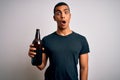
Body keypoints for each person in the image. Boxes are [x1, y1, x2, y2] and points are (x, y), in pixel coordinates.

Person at [28, 2, 90, 80]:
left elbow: (84, 68)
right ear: (54, 18)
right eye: (58, 13)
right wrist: (34, 56)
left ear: (70, 16)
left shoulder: (81, 40)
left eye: (66, 12)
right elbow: (41, 66)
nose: (62, 16)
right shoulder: (46, 40)